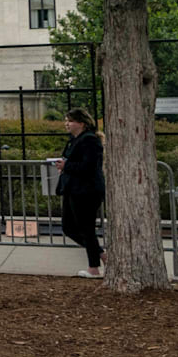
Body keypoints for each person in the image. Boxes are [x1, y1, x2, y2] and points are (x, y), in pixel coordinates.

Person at [56, 108, 106, 278]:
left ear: (82, 123)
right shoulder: (74, 140)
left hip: (87, 191)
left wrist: (67, 166)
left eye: (70, 121)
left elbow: (89, 166)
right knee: (68, 227)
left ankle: (94, 267)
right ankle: (101, 254)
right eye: (66, 120)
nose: (67, 124)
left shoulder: (90, 140)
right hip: (72, 188)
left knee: (86, 228)